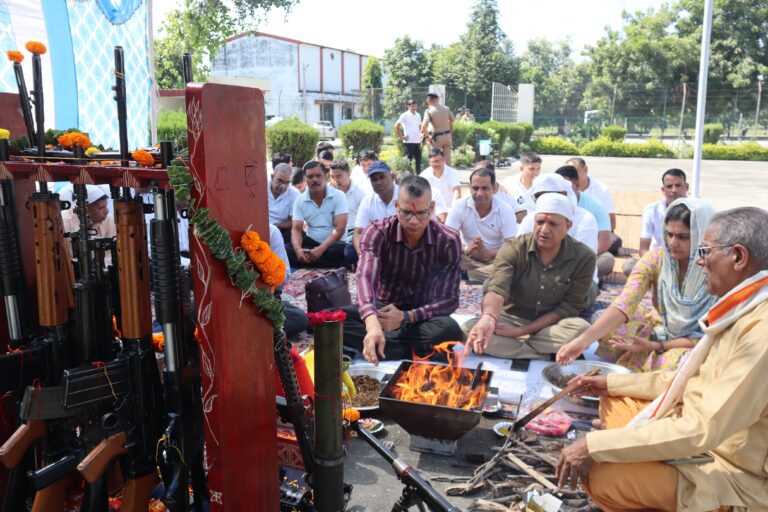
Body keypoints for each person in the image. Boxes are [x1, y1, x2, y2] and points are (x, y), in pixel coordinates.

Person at [556, 206, 768, 512]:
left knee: (601, 473)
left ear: (738, 257)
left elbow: (702, 430)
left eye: (704, 251)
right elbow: (688, 379)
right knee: (615, 399)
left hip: (729, 469)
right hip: (693, 426)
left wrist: (595, 446)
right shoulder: (743, 305)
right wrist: (609, 382)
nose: (697, 260)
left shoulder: (760, 332)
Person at [557, 198, 717, 372]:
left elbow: (713, 331)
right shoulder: (657, 258)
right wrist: (584, 341)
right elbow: (626, 301)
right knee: (603, 321)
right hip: (658, 329)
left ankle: (646, 363)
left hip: (696, 343)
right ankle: (645, 363)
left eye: (683, 237)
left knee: (688, 363)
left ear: (702, 235)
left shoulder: (716, 267)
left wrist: (657, 346)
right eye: (669, 234)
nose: (673, 243)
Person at [342, 175, 464, 364]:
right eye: (406, 213)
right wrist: (372, 321)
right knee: (332, 321)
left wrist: (407, 317)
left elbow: (449, 300)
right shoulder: (377, 232)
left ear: (432, 208)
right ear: (396, 206)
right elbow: (366, 276)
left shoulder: (447, 239)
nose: (413, 221)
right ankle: (414, 349)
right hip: (383, 307)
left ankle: (387, 347)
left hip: (421, 314)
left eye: (421, 213)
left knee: (449, 329)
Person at [463, 194, 595, 360]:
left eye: (553, 224)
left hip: (552, 326)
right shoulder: (514, 248)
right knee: (469, 330)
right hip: (510, 319)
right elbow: (497, 288)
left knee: (582, 330)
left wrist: (521, 332)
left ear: (568, 226)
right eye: (540, 222)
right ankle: (545, 355)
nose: (544, 230)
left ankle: (515, 348)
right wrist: (488, 318)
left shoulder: (584, 257)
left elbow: (569, 307)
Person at [517, 173, 600, 306]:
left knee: (581, 296)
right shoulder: (530, 219)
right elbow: (518, 257)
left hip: (573, 282)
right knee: (492, 286)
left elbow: (582, 265)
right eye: (541, 196)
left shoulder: (585, 219)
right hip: (534, 280)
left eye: (554, 195)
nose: (549, 200)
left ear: (565, 195)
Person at [445, 167, 517, 282]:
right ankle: (481, 275)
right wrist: (466, 249)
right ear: (470, 188)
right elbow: (447, 239)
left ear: (493, 189)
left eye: (485, 188)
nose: (479, 193)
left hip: (495, 258)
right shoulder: (459, 206)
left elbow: (512, 246)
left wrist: (488, 254)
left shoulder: (505, 210)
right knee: (441, 256)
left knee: (514, 266)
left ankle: (467, 275)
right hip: (467, 258)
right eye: (475, 188)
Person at [622, 168, 690, 276]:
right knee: (629, 266)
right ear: (663, 190)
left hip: (687, 262)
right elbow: (643, 249)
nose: (674, 190)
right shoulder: (651, 210)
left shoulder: (698, 210)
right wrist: (659, 264)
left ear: (686, 187)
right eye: (669, 186)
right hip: (659, 260)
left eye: (678, 185)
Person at [555, 165, 615, 282]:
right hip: (552, 255)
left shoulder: (595, 207)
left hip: (586, 254)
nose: (561, 190)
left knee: (607, 260)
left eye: (566, 186)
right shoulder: (549, 205)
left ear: (577, 185)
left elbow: (604, 241)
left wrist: (578, 257)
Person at [287, 161, 351, 269]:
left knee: (345, 252)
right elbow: (296, 229)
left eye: (318, 176)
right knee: (286, 250)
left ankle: (309, 260)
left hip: (334, 245)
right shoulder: (300, 200)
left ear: (325, 176)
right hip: (311, 243)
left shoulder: (339, 196)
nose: (315, 180)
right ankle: (312, 259)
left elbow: (340, 229)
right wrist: (298, 250)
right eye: (310, 177)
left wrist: (320, 250)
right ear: (305, 179)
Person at [566, 157, 620, 253]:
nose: (571, 176)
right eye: (567, 173)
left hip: (596, 233)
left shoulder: (602, 190)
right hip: (568, 232)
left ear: (585, 170)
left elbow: (611, 223)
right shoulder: (562, 190)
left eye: (575, 171)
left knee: (614, 241)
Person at [268, 223, 307, 338]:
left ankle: (259, 328)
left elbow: (282, 280)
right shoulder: (220, 233)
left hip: (266, 297)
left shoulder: (271, 231)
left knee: (299, 319)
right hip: (232, 302)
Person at [352, 161, 398, 257]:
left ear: (392, 177)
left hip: (400, 245)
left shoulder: (405, 195)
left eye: (382, 177)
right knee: (349, 252)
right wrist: (362, 255)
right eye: (374, 179)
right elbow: (358, 233)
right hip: (376, 247)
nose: (378, 182)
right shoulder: (368, 201)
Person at [329, 159, 366, 268]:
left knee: (347, 251)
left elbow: (363, 226)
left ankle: (348, 261)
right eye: (332, 177)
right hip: (331, 232)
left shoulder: (359, 193)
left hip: (351, 233)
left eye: (339, 176)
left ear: (348, 174)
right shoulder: (327, 190)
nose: (335, 180)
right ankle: (347, 263)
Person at [500, 152, 542, 223]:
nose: (536, 173)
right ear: (521, 168)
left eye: (538, 168)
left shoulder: (543, 185)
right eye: (531, 169)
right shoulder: (508, 183)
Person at [268, 163, 300, 243]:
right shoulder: (260, 186)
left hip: (279, 231)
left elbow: (294, 221)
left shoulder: (294, 193)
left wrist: (275, 227)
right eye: (279, 181)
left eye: (287, 183)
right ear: (272, 177)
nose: (283, 186)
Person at [421, 92, 455, 165]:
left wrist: (427, 136)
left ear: (429, 100)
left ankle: (436, 174)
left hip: (437, 138)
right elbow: (452, 120)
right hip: (447, 136)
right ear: (438, 99)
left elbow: (424, 125)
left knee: (435, 158)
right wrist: (450, 131)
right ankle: (448, 174)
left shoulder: (429, 111)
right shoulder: (446, 108)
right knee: (447, 158)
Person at [394, 99, 423, 174]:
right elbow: (396, 125)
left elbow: (420, 126)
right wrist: (401, 137)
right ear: (408, 106)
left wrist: (422, 137)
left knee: (419, 160)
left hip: (418, 141)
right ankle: (408, 176)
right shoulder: (404, 115)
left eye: (415, 106)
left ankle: (418, 176)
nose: (414, 108)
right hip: (409, 141)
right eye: (412, 106)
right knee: (409, 160)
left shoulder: (418, 115)